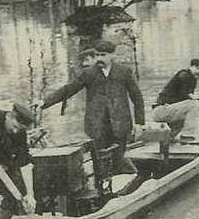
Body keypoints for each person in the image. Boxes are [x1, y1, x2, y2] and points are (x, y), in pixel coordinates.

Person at [42, 39, 144, 168]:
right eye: (97, 55)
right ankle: (101, 185)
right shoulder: (88, 73)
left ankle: (120, 183)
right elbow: (69, 89)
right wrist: (45, 102)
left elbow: (137, 97)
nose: (99, 58)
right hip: (97, 125)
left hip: (120, 124)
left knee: (119, 160)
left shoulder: (124, 72)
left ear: (112, 55)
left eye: (103, 55)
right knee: (100, 162)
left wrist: (140, 123)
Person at [151, 58, 199, 141]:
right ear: (192, 67)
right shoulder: (184, 74)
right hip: (161, 111)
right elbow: (185, 92)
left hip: (166, 110)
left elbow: (184, 95)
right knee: (194, 104)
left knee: (191, 114)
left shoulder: (190, 78)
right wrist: (195, 97)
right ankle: (187, 135)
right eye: (198, 69)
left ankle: (170, 137)